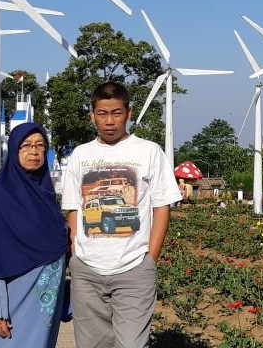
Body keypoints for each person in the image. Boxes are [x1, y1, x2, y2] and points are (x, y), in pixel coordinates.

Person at [61, 82, 181, 348]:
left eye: (116, 112)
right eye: (102, 114)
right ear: (92, 115)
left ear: (129, 112)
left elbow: (162, 207)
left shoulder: (149, 151)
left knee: (131, 344)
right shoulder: (81, 155)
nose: (110, 121)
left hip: (135, 269)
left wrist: (150, 259)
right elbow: (73, 207)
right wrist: (76, 254)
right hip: (87, 270)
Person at [0, 122, 68, 347]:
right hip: (12, 298)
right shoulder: (0, 193)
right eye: (26, 146)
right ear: (14, 150)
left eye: (40, 145)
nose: (34, 151)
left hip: (44, 299)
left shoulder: (45, 193)